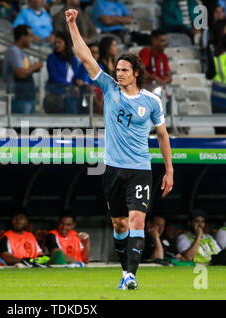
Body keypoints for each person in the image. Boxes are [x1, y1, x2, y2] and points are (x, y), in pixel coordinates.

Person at [66, 9, 174, 290]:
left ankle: (131, 276)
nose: (119, 73)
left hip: (140, 169)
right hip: (112, 169)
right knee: (119, 225)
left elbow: (162, 136)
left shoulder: (151, 102)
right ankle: (125, 271)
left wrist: (169, 170)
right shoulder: (109, 88)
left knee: (137, 219)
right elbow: (85, 57)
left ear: (136, 72)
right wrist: (72, 25)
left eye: (125, 70)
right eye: (118, 69)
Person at [3, 25, 43, 114]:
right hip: (19, 96)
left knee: (29, 126)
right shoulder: (14, 51)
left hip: (27, 96)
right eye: (30, 36)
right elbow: (20, 74)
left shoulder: (21, 52)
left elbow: (25, 71)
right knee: (23, 126)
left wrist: (33, 69)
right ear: (22, 37)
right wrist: (34, 67)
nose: (32, 39)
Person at [44, 32, 80, 114]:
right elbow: (53, 76)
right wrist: (69, 86)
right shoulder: (52, 58)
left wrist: (77, 83)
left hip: (70, 97)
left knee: (72, 120)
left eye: (59, 42)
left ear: (66, 43)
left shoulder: (73, 59)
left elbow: (75, 77)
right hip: (56, 96)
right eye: (55, 43)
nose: (57, 45)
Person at [75, 42, 104, 114]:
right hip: (86, 92)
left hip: (97, 92)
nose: (94, 55)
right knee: (90, 91)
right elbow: (77, 80)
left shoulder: (100, 67)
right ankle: (99, 113)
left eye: (96, 53)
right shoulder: (82, 66)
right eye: (92, 52)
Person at [206, 34, 226, 134]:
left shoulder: (217, 59)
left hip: (218, 102)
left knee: (219, 132)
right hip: (219, 102)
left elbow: (209, 75)